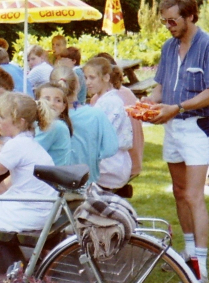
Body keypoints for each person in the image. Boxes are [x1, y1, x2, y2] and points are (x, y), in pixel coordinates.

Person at [143, 0, 209, 283]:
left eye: (173, 20)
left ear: (190, 15)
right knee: (178, 192)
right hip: (172, 127)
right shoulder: (168, 47)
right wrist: (146, 105)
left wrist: (177, 107)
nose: (169, 26)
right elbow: (160, 88)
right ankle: (189, 253)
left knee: (193, 195)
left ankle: (200, 268)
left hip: (196, 126)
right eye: (165, 21)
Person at [0, 92, 58, 276]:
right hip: (46, 205)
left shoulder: (15, 145)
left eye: (2, 117)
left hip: (35, 209)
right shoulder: (25, 142)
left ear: (19, 122)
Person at [50, 66, 118, 184]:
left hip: (54, 185)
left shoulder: (46, 120)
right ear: (78, 85)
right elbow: (110, 148)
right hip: (86, 184)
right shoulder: (96, 115)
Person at [84, 57, 133, 189]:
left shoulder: (110, 103)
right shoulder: (103, 100)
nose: (88, 82)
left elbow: (99, 136)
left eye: (92, 78)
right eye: (86, 78)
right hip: (109, 162)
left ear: (106, 78)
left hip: (111, 166)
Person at [94, 52, 144, 177]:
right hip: (135, 161)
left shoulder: (103, 99)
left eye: (91, 77)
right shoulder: (128, 93)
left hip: (118, 165)